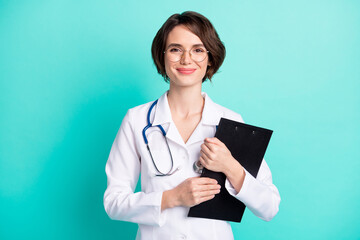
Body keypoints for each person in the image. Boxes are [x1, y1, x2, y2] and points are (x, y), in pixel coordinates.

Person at [103, 11, 280, 240]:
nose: (186, 59)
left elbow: (270, 206)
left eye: (197, 50)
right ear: (162, 55)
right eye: (176, 49)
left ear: (210, 58)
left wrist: (230, 167)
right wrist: (172, 198)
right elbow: (113, 202)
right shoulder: (137, 120)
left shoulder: (230, 122)